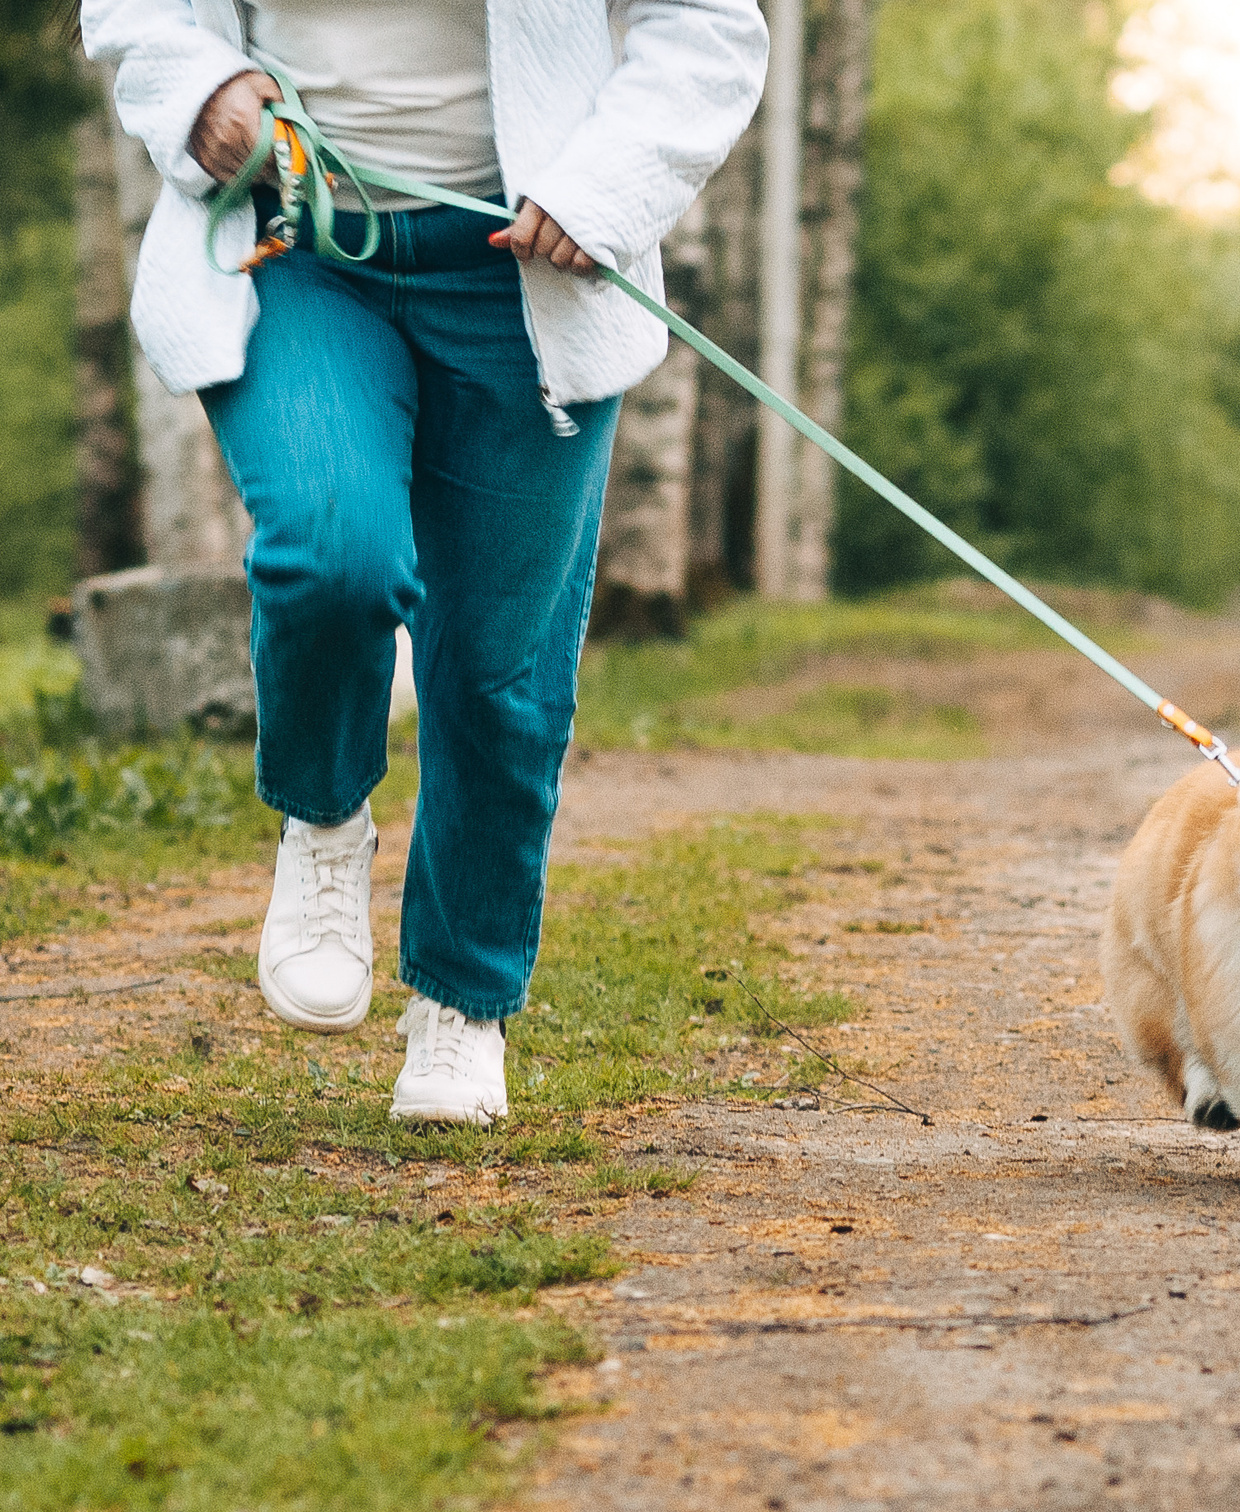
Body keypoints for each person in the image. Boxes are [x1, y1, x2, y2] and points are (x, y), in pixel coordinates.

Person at [82, 0, 768, 1124]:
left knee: (498, 670)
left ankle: (461, 1003)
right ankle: (324, 819)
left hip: (522, 265)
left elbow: (707, 27)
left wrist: (607, 185)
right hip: (296, 246)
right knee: (329, 553)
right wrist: (197, 86)